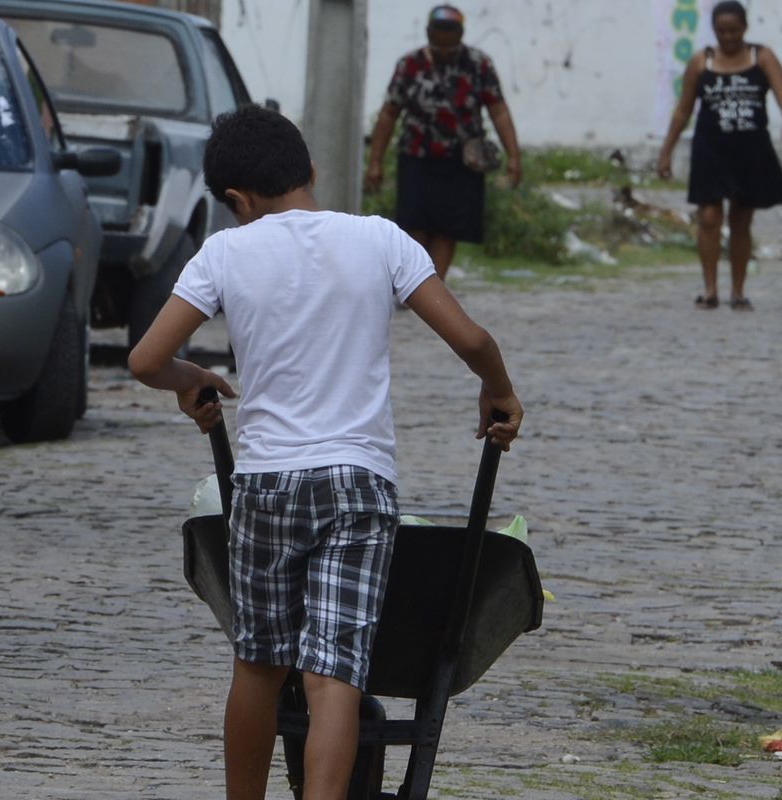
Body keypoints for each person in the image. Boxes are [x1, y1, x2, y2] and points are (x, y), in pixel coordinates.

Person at [128, 105, 522, 800]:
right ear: (311, 170)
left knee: (257, 665)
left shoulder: (225, 252)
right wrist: (498, 390)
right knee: (334, 671)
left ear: (235, 202)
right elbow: (471, 339)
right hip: (356, 482)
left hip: (264, 484)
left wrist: (191, 381)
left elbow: (147, 358)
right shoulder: (380, 239)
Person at [656, 0, 782, 311]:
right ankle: (709, 289)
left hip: (751, 151)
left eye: (734, 31)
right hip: (711, 151)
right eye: (722, 31)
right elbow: (682, 111)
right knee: (708, 218)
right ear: (714, 31)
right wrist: (666, 151)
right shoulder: (700, 63)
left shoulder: (763, 57)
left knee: (741, 220)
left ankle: (738, 290)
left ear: (745, 28)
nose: (728, 37)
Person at [364, 4, 522, 279]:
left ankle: (434, 288)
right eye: (439, 35)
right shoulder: (410, 65)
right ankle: (412, 284)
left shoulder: (479, 64)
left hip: (462, 162)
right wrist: (375, 162)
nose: (445, 43)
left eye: (451, 35)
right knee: (414, 224)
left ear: (461, 33)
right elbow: (389, 114)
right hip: (416, 156)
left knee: (449, 229)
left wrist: (514, 157)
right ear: (428, 33)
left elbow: (498, 110)